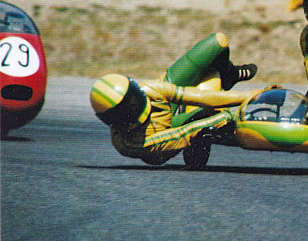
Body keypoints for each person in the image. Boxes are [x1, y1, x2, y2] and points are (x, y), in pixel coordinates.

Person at [89, 33, 260, 165]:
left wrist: (251, 95)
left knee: (218, 42)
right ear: (115, 119)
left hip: (166, 110)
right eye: (128, 106)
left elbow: (200, 97)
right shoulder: (128, 143)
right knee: (216, 115)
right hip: (164, 142)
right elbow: (183, 134)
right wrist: (230, 117)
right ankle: (197, 151)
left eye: (133, 94)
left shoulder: (149, 89)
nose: (136, 101)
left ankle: (228, 75)